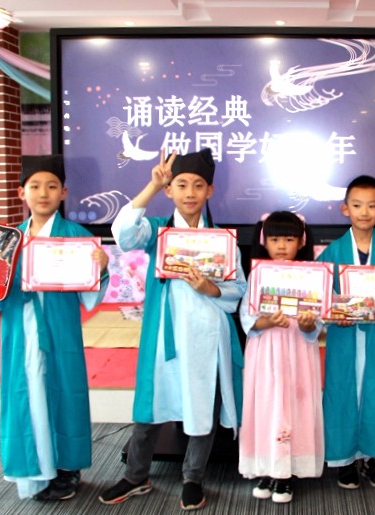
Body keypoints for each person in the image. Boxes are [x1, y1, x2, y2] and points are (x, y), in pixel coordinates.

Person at [99, 148, 246, 511]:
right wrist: (151, 186)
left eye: (198, 185)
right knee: (149, 407)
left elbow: (238, 288)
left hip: (207, 335)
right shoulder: (156, 230)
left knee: (202, 408)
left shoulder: (223, 241)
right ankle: (136, 475)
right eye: (181, 185)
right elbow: (123, 234)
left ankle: (192, 478)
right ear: (170, 190)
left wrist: (210, 288)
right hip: (164, 333)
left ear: (210, 190)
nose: (190, 192)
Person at [0, 155, 110, 501]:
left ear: (63, 193)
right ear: (21, 193)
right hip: (20, 330)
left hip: (60, 330)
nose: (43, 193)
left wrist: (101, 268)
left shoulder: (77, 237)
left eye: (52, 186)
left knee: (65, 393)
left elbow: (89, 296)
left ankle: (67, 468)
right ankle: (32, 469)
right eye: (35, 186)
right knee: (23, 395)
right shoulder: (4, 240)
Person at [316, 175, 375, 490]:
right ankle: (343, 460)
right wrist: (334, 314)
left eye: (371, 205)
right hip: (344, 338)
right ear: (345, 209)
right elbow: (321, 297)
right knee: (341, 391)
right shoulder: (331, 253)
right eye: (357, 205)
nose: (364, 212)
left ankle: (373, 458)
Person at [238, 211, 324, 504]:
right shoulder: (258, 275)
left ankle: (286, 473)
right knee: (266, 405)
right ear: (265, 241)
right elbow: (248, 319)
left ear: (301, 241)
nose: (282, 246)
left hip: (298, 351)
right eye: (275, 239)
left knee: (297, 404)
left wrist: (309, 323)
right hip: (266, 352)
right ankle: (266, 467)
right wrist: (268, 321)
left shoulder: (311, 275)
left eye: (289, 239)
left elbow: (315, 325)